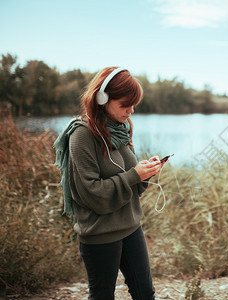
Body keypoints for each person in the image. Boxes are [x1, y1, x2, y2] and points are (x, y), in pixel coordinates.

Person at [54, 66, 162, 299]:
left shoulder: (121, 128)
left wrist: (145, 172)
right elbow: (92, 193)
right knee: (102, 295)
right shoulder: (82, 135)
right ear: (102, 98)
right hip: (100, 234)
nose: (131, 111)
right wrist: (134, 175)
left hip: (131, 226)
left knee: (145, 293)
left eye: (134, 105)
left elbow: (128, 178)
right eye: (125, 104)